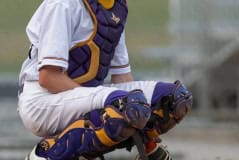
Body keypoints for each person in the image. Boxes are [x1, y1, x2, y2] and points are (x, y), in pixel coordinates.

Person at [18, 0, 193, 159]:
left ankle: (147, 149)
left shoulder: (114, 8)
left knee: (175, 98)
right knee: (124, 103)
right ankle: (45, 154)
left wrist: (140, 119)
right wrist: (111, 101)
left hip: (81, 97)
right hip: (42, 103)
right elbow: (49, 77)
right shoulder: (62, 5)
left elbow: (122, 78)